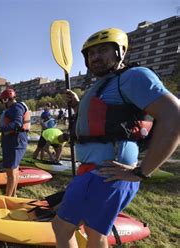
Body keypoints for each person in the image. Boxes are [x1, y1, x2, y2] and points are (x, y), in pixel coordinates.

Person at [51, 28, 179, 247]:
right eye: (91, 54)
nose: (96, 57)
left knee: (62, 227)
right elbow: (103, 118)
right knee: (94, 231)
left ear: (120, 52)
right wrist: (78, 105)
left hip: (105, 173)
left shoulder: (133, 77)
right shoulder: (106, 83)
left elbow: (174, 115)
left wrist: (142, 171)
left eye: (103, 50)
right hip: (96, 171)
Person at [0, 88, 30, 197]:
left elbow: (17, 124)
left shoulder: (16, 107)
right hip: (14, 141)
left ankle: (7, 198)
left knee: (11, 173)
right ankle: (13, 195)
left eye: (2, 101)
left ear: (6, 99)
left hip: (15, 142)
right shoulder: (16, 107)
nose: (3, 104)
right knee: (14, 170)